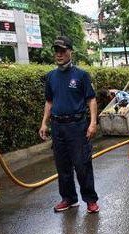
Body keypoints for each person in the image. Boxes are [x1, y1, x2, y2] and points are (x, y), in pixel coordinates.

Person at [39, 36, 99, 213]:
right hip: (58, 127)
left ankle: (90, 200)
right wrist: (44, 123)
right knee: (62, 166)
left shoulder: (81, 75)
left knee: (82, 165)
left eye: (62, 51)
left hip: (77, 126)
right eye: (56, 51)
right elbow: (49, 102)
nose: (59, 55)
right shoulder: (51, 77)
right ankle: (69, 199)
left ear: (70, 52)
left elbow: (91, 100)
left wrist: (93, 123)